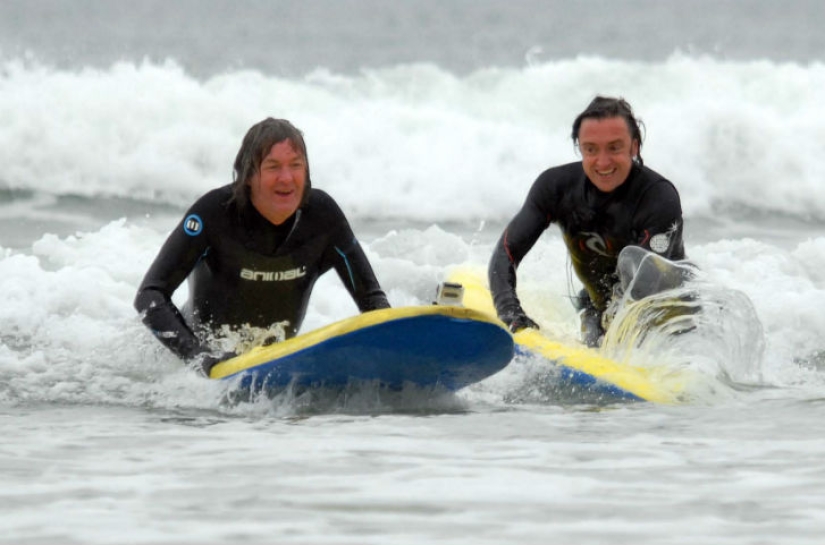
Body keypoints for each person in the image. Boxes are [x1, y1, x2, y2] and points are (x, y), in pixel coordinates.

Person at [135, 118, 390, 374]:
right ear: (247, 175)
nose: (286, 178)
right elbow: (149, 294)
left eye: (296, 165)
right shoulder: (214, 214)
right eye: (273, 167)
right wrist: (200, 359)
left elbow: (371, 299)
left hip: (273, 367)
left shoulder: (323, 217)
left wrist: (396, 342)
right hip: (196, 370)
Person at [488, 96, 686, 347]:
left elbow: (646, 285)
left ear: (634, 146)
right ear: (580, 147)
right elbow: (506, 253)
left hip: (670, 321)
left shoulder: (658, 197)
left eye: (614, 148)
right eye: (591, 149)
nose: (602, 162)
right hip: (597, 311)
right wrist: (511, 315)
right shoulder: (556, 188)